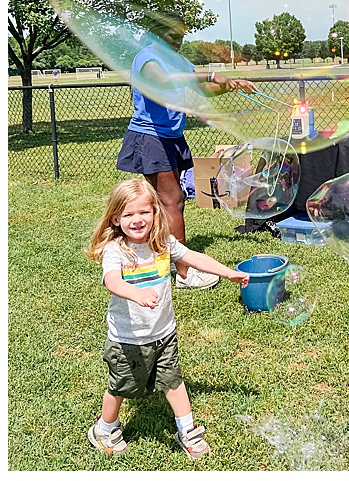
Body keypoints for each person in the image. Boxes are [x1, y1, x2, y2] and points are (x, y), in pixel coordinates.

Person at [85, 178, 249, 459]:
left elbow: (195, 258)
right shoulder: (116, 250)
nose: (137, 220)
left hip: (164, 333)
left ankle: (187, 429)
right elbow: (112, 281)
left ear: (155, 212)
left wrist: (228, 272)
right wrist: (136, 294)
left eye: (144, 212)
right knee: (121, 386)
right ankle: (105, 427)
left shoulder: (163, 243)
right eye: (128, 214)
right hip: (129, 339)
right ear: (115, 218)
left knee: (173, 381)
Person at [117, 14, 256, 289]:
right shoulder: (147, 58)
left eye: (181, 36)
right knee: (173, 201)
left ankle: (157, 254)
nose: (178, 42)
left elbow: (202, 88)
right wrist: (212, 73)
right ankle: (183, 273)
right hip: (151, 137)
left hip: (172, 136)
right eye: (173, 36)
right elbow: (166, 81)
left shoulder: (178, 61)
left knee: (164, 202)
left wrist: (229, 85)